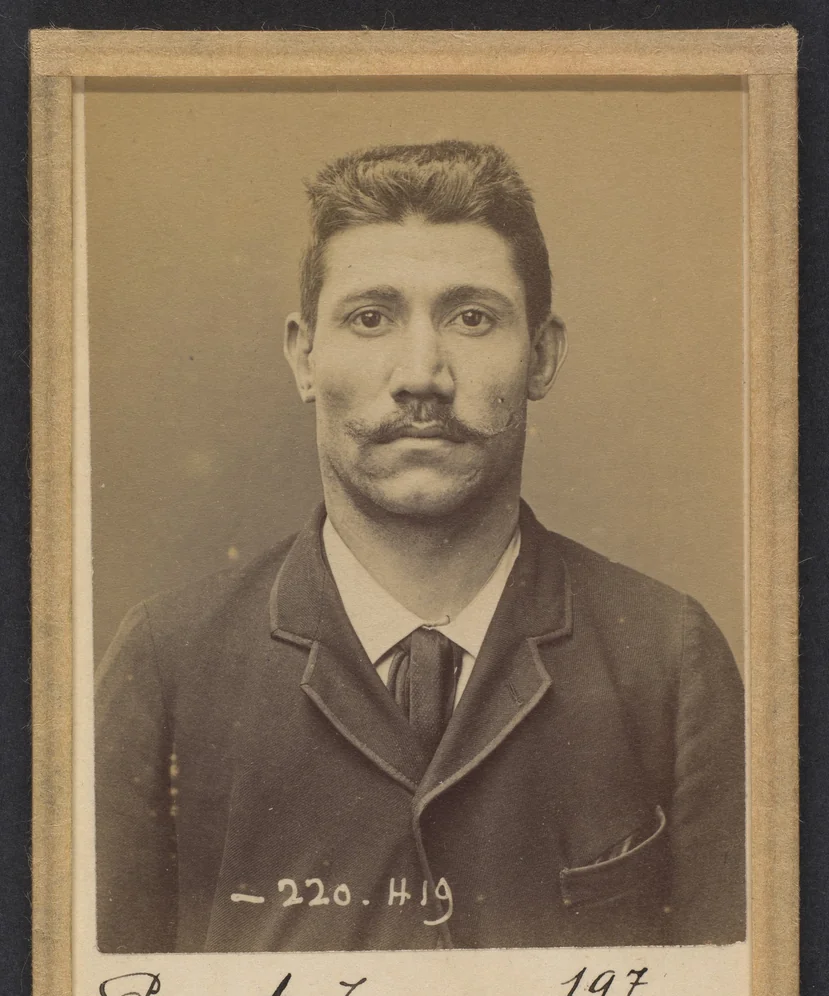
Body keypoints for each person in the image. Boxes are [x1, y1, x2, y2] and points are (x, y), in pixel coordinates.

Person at [95, 140, 745, 954]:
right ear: (304, 356)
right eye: (370, 318)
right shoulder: (166, 662)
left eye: (471, 318)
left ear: (540, 356)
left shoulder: (668, 658)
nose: (420, 374)